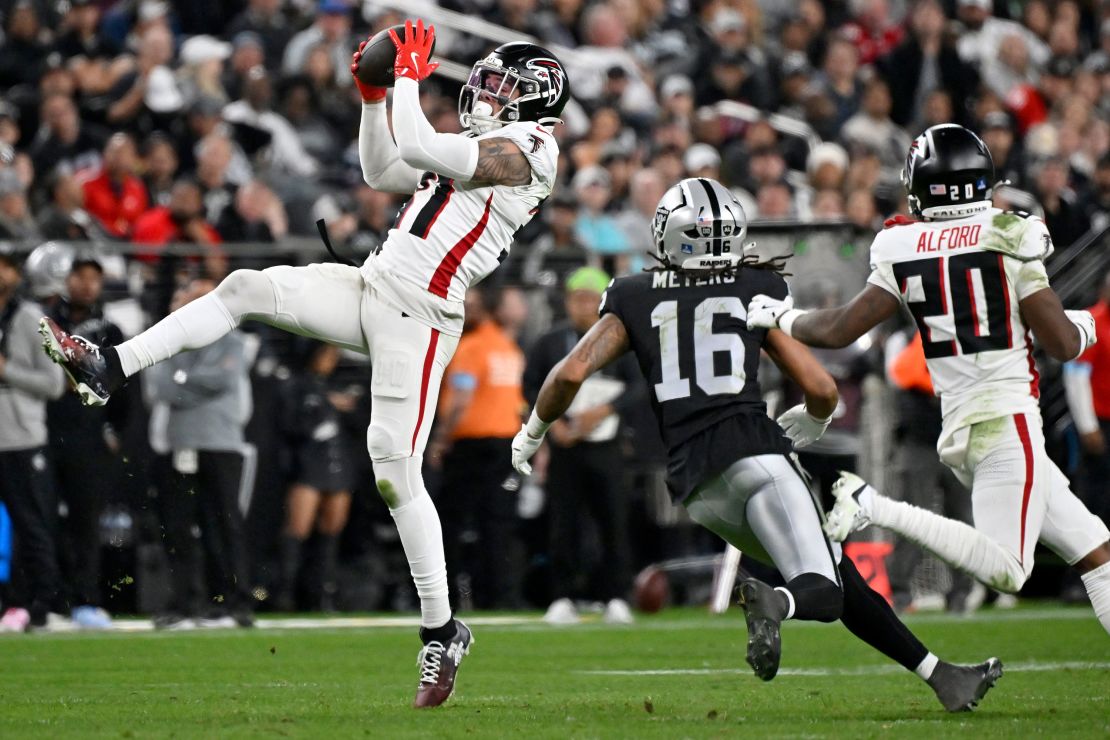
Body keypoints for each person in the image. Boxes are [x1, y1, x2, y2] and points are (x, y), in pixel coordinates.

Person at [41, 20, 569, 709]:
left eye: (504, 87)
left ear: (536, 103)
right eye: (489, 81)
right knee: (244, 289)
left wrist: (406, 74)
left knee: (391, 467)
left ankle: (442, 628)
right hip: (373, 286)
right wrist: (374, 96)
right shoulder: (475, 144)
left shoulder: (533, 149)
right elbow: (384, 166)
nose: (487, 93)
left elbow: (417, 144)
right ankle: (111, 364)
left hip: (423, 316)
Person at [512, 178, 1002, 711]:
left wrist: (531, 433)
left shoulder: (631, 293)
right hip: (754, 453)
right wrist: (816, 419)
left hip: (695, 484)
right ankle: (773, 602)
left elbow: (568, 374)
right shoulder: (751, 286)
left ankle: (942, 677)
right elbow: (821, 387)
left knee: (836, 573)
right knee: (820, 587)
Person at [746, 124, 1110, 636]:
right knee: (1010, 569)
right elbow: (1063, 343)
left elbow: (837, 328)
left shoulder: (902, 243)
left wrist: (780, 316)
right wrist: (1093, 321)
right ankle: (873, 505)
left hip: (962, 423)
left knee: (1094, 549)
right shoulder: (1011, 232)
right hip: (1007, 422)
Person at [523, 267, 643, 625]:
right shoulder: (550, 342)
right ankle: (561, 596)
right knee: (563, 522)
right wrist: (551, 422)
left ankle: (617, 596)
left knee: (613, 521)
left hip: (607, 444)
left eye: (592, 299)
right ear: (567, 302)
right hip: (564, 445)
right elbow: (530, 386)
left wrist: (607, 410)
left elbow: (639, 386)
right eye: (579, 299)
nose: (585, 306)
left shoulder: (620, 341)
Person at [147, 278, 254, 629]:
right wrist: (192, 381)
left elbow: (222, 379)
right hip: (179, 443)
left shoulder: (232, 340)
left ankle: (234, 604)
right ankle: (184, 604)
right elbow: (161, 388)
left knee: (223, 525)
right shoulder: (167, 341)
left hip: (221, 443)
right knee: (178, 527)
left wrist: (183, 380)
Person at [430, 287, 526, 610]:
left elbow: (460, 400)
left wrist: (441, 440)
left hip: (471, 445)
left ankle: (449, 598)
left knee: (451, 523)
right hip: (506, 444)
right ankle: (500, 596)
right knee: (497, 524)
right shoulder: (507, 346)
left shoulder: (470, 347)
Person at [46, 251, 127, 630]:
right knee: (42, 521)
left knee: (85, 524)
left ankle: (85, 601)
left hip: (89, 438)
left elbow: (124, 386)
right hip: (43, 433)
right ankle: (45, 601)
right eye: (79, 275)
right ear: (66, 279)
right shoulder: (43, 322)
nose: (86, 284)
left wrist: (117, 432)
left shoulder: (110, 331)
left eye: (94, 278)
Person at [0, 250, 67, 631]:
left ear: (15, 274)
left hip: (23, 438)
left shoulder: (31, 319)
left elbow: (55, 383)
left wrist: (8, 370)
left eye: (3, 267)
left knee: (32, 526)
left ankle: (44, 605)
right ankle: (12, 605)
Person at [274, 342, 357, 612]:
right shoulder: (298, 385)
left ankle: (322, 594)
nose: (330, 360)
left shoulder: (339, 385)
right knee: (298, 529)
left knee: (332, 530)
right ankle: (285, 594)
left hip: (338, 464)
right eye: (326, 354)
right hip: (308, 465)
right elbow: (288, 425)